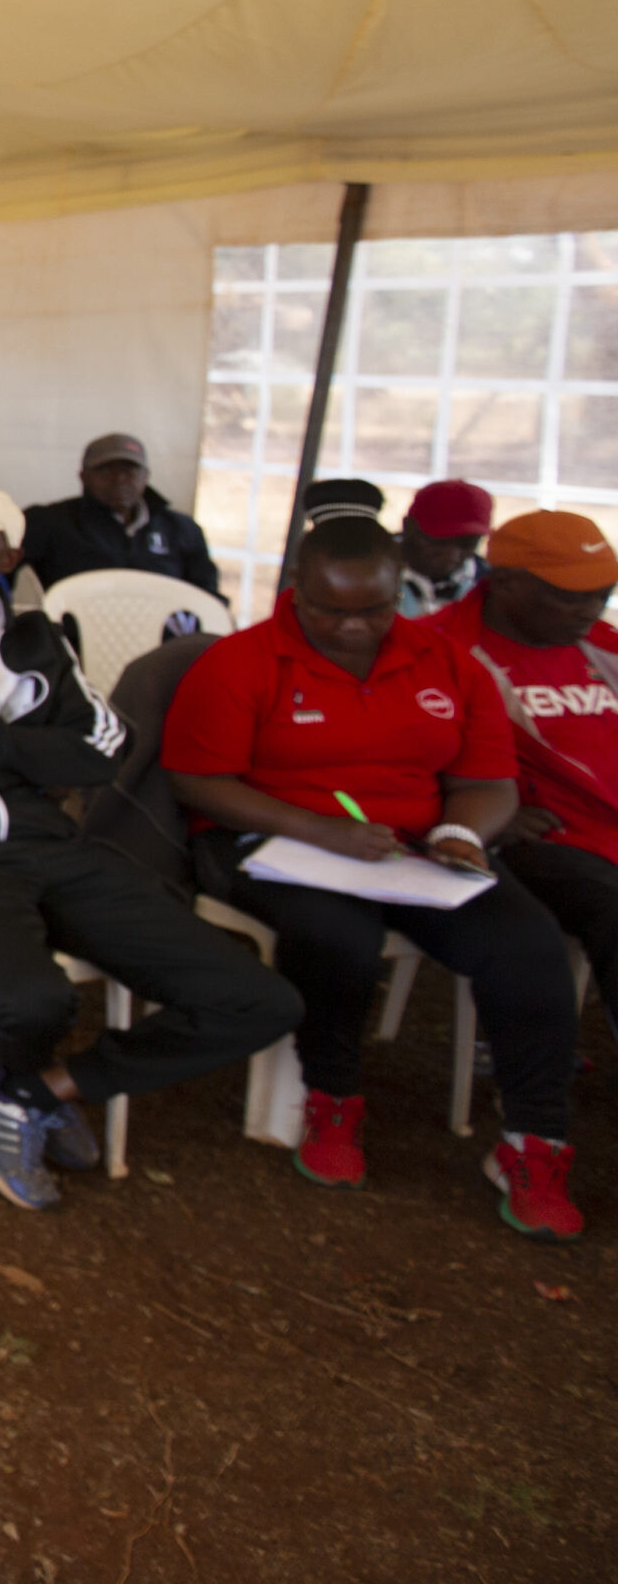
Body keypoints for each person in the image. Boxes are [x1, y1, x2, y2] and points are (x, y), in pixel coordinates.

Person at [0, 482, 303, 1211]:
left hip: (54, 850)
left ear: (9, 558)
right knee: (35, 1000)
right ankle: (26, 1085)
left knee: (257, 999)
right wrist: (37, 756)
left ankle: (31, 1089)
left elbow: (105, 748)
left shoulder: (40, 638)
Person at [165, 514, 581, 1239]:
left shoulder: (447, 661)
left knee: (529, 945)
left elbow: (488, 781)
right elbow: (200, 779)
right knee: (335, 937)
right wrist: (319, 829)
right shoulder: (241, 662)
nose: (354, 627)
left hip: (413, 850)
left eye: (374, 610)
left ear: (398, 593)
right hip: (278, 840)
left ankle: (534, 1139)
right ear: (298, 590)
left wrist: (459, 833)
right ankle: (332, 1097)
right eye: (331, 610)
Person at [427, 510, 618, 1029]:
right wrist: (478, 814)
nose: (591, 609)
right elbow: (390, 755)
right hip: (535, 839)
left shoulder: (604, 646)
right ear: (506, 581)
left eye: (602, 593)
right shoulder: (438, 649)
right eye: (570, 596)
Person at [20, 433, 219, 595]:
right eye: (105, 471)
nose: (119, 480)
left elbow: (208, 598)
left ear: (146, 477)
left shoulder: (181, 529)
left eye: (130, 470)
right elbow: (5, 575)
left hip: (165, 632)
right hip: (73, 632)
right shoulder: (48, 522)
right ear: (83, 476)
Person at [399, 479, 493, 616]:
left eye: (467, 544)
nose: (453, 554)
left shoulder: (490, 587)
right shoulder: (370, 572)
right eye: (440, 541)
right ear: (408, 528)